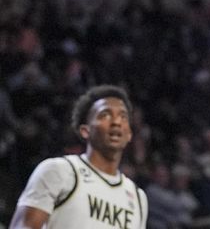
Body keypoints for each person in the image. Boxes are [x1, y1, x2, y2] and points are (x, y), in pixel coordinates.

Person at [9, 84, 148, 229]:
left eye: (123, 116)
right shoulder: (59, 171)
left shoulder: (138, 198)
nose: (116, 122)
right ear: (85, 131)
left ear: (129, 134)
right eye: (105, 115)